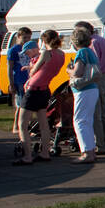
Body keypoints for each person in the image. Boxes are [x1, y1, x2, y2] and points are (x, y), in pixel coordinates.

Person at [16, 29, 65, 165]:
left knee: (23, 124)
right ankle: (45, 152)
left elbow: (34, 71)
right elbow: (47, 69)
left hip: (33, 90)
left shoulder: (45, 53)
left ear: (44, 41)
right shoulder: (61, 54)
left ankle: (27, 156)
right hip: (45, 89)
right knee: (44, 124)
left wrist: (30, 68)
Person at [79, 21, 105, 154]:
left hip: (98, 78)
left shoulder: (92, 43)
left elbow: (94, 65)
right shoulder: (104, 41)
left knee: (97, 113)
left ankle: (100, 145)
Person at [68, 26, 101, 164]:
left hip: (83, 90)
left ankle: (87, 153)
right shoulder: (91, 51)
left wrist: (68, 70)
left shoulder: (81, 53)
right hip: (92, 88)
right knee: (87, 120)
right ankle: (91, 150)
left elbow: (78, 72)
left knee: (79, 121)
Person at [7, 27, 32, 153]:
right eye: (24, 38)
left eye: (28, 37)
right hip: (19, 79)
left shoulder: (29, 49)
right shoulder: (13, 50)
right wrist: (11, 83)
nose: (26, 40)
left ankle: (25, 126)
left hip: (28, 79)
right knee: (21, 105)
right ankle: (17, 126)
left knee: (26, 105)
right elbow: (10, 67)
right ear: (19, 37)